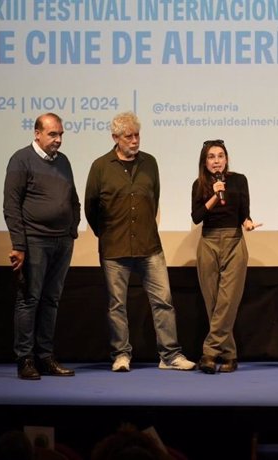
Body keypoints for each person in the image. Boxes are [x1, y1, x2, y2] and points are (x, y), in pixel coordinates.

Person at [85, 111, 195, 372]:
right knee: (117, 305)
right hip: (114, 247)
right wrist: (108, 233)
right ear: (115, 138)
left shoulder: (150, 163)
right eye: (128, 136)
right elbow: (91, 208)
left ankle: (169, 355)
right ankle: (121, 355)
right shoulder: (100, 167)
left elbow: (153, 199)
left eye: (137, 135)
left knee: (164, 301)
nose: (135, 141)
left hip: (149, 246)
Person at [3, 112, 79, 380]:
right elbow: (11, 206)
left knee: (51, 300)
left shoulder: (64, 162)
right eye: (52, 134)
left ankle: (45, 357)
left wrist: (72, 230)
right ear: (37, 133)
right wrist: (19, 244)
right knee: (29, 300)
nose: (58, 139)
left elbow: (73, 198)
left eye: (60, 134)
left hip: (62, 241)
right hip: (34, 240)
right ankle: (25, 359)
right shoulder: (21, 159)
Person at [191, 139, 261, 374]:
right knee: (214, 303)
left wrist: (248, 223)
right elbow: (197, 216)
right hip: (208, 242)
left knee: (227, 301)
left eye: (220, 155)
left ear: (226, 159)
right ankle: (229, 354)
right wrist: (213, 195)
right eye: (211, 156)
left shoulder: (239, 180)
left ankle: (209, 353)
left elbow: (244, 213)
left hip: (234, 241)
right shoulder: (199, 185)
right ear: (205, 161)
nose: (217, 160)